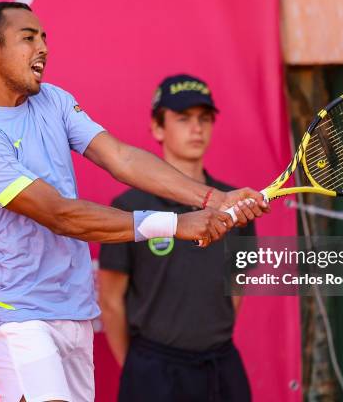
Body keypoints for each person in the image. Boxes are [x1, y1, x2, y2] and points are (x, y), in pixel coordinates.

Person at [0, 2, 267, 402]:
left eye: (44, 37)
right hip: (18, 319)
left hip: (75, 314)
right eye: (28, 38)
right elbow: (59, 215)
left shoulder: (55, 101)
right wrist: (176, 223)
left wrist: (214, 199)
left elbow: (121, 157)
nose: (43, 47)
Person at [98, 74, 254, 402]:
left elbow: (236, 286)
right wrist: (139, 366)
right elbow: (110, 300)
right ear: (157, 128)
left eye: (204, 119)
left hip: (220, 364)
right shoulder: (129, 207)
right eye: (183, 119)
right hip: (153, 369)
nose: (196, 128)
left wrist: (208, 338)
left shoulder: (235, 204)